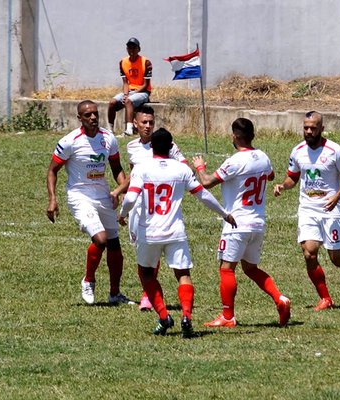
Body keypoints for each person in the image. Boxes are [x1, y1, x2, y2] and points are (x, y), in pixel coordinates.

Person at [119, 128, 237, 337]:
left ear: (152, 147)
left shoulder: (142, 168)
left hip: (150, 232)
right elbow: (203, 195)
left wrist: (122, 214)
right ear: (172, 147)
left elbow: (130, 198)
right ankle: (187, 317)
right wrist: (224, 213)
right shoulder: (181, 170)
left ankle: (164, 316)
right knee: (183, 275)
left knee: (146, 274)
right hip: (175, 232)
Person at [192, 118, 291, 328]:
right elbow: (271, 176)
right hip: (257, 223)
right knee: (251, 268)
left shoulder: (234, 161)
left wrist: (200, 168)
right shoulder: (263, 157)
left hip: (236, 223)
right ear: (253, 135)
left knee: (227, 269)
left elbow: (207, 182)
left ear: (235, 136)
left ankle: (227, 316)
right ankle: (280, 298)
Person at [273, 111, 340, 311]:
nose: (308, 131)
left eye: (313, 128)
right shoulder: (297, 151)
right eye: (306, 127)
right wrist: (283, 185)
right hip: (307, 209)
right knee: (309, 253)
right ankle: (325, 298)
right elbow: (293, 177)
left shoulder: (335, 151)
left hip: (330, 209)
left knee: (336, 257)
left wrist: (337, 195)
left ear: (321, 129)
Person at [47, 100, 132, 305]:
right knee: (100, 240)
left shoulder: (108, 138)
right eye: (87, 115)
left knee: (114, 246)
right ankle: (89, 279)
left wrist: (125, 192)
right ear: (80, 118)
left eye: (95, 114)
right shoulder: (70, 141)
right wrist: (52, 199)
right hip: (80, 197)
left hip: (103, 196)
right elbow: (52, 170)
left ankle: (114, 294)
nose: (93, 117)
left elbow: (116, 167)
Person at [112, 105, 188, 311]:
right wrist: (119, 191)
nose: (148, 126)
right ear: (135, 123)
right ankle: (151, 292)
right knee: (142, 248)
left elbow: (184, 167)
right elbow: (133, 176)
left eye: (151, 122)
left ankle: (148, 296)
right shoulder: (132, 147)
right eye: (144, 122)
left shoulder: (166, 144)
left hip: (160, 208)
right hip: (137, 205)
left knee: (154, 244)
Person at [107, 37, 152, 136]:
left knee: (128, 101)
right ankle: (110, 130)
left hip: (143, 92)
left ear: (138, 49)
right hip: (130, 91)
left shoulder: (146, 62)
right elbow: (125, 82)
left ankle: (129, 130)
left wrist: (131, 95)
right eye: (129, 48)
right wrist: (125, 94)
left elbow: (146, 84)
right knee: (112, 103)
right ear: (127, 49)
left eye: (134, 48)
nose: (132, 50)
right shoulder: (123, 62)